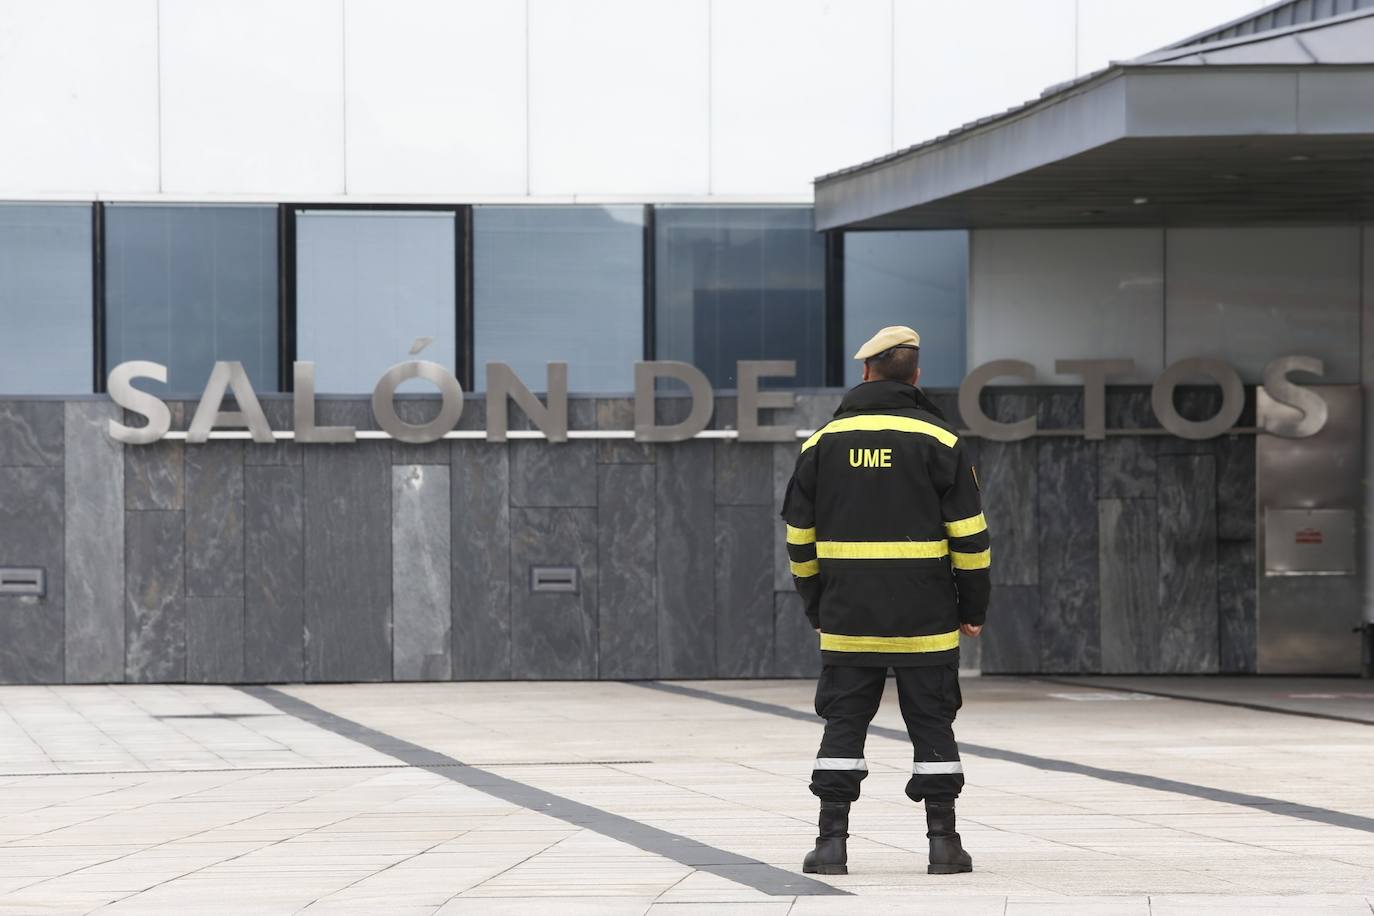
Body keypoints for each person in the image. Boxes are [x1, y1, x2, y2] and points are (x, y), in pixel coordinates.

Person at [781, 325, 991, 877]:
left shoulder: (821, 443)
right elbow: (970, 538)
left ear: (865, 371)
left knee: (843, 726)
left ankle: (831, 845)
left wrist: (816, 606)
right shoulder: (941, 440)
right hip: (927, 619)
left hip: (849, 617)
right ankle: (944, 844)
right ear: (916, 376)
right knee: (933, 724)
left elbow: (799, 539)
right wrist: (972, 609)